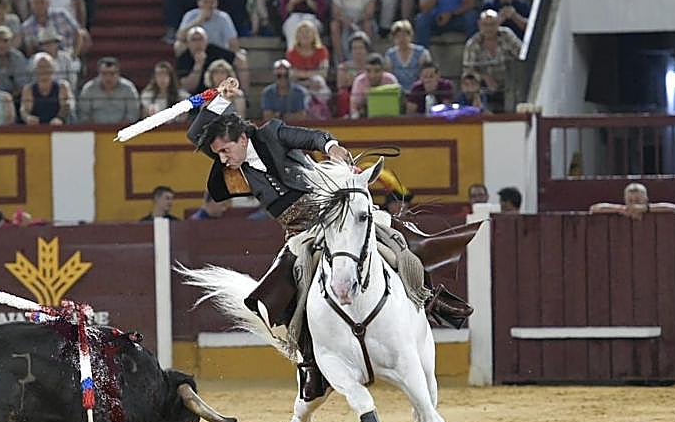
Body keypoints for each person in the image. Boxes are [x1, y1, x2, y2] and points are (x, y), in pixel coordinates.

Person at [185, 77, 473, 401]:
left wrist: (331, 146)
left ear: (239, 138)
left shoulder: (270, 133)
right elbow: (195, 134)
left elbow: (310, 137)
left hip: (332, 214)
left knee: (397, 243)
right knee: (290, 294)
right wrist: (220, 100)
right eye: (218, 153)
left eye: (224, 150)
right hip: (301, 233)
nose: (223, 159)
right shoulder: (231, 157)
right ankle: (310, 363)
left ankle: (431, 299)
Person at [461, 9, 522, 112]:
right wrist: (484, 77)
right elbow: (468, 70)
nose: (489, 28)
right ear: (479, 25)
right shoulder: (472, 44)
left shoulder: (507, 35)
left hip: (511, 82)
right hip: (485, 87)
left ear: (498, 23)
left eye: (492, 24)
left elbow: (521, 55)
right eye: (485, 25)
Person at [75, 55, 138, 124]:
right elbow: (83, 114)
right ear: (99, 73)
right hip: (95, 131)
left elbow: (133, 113)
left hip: (123, 131)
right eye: (104, 74)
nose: (108, 77)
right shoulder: (89, 89)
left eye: (112, 73)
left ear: (118, 73)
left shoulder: (128, 88)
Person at [20, 52, 73, 125]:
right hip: (36, 128)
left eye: (47, 66)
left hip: (59, 127)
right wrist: (28, 117)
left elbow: (66, 106)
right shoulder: (28, 89)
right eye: (40, 67)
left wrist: (60, 118)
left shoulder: (62, 86)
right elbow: (25, 110)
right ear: (35, 70)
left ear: (53, 68)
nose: (43, 70)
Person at [385, 19, 432, 94]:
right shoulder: (390, 55)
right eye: (398, 36)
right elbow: (389, 77)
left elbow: (426, 74)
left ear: (410, 35)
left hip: (418, 92)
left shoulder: (422, 53)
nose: (401, 39)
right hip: (397, 92)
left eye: (404, 35)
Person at [589, 182, 675, 218]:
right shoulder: (623, 209)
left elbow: (674, 208)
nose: (634, 204)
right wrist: (620, 209)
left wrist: (645, 209)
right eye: (630, 201)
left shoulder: (652, 209)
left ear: (646, 199)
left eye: (638, 200)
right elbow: (594, 209)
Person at [349, 52, 398, 118]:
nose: (372, 75)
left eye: (377, 71)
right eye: (368, 71)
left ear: (383, 70)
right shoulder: (359, 81)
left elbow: (398, 105)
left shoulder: (390, 80)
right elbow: (354, 108)